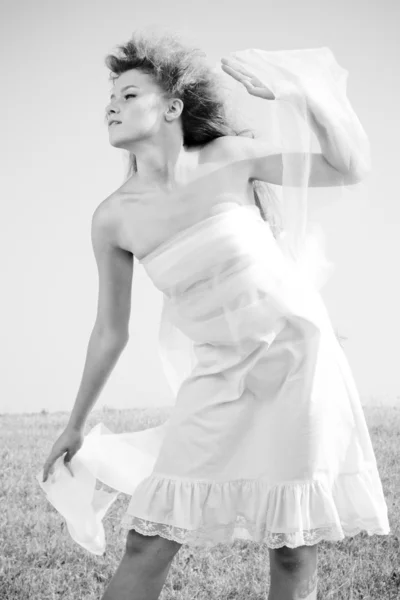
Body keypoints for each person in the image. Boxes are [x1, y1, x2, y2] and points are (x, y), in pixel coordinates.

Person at [37, 31, 390, 600]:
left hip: (299, 362)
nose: (112, 105)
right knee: (148, 539)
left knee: (292, 545)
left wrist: (303, 96)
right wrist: (76, 423)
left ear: (172, 107)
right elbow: (110, 330)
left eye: (130, 95)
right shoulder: (113, 218)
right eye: (110, 97)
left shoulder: (227, 159)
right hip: (217, 376)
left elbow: (349, 166)